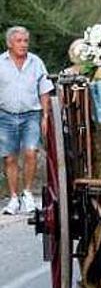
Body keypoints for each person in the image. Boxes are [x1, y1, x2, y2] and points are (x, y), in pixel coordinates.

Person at [1, 26, 52, 215]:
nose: (23, 45)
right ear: (10, 44)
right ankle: (14, 198)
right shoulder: (1, 63)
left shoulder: (36, 62)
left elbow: (45, 89)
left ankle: (28, 193)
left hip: (31, 114)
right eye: (19, 41)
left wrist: (45, 116)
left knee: (31, 153)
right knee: (10, 157)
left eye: (25, 41)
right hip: (5, 115)